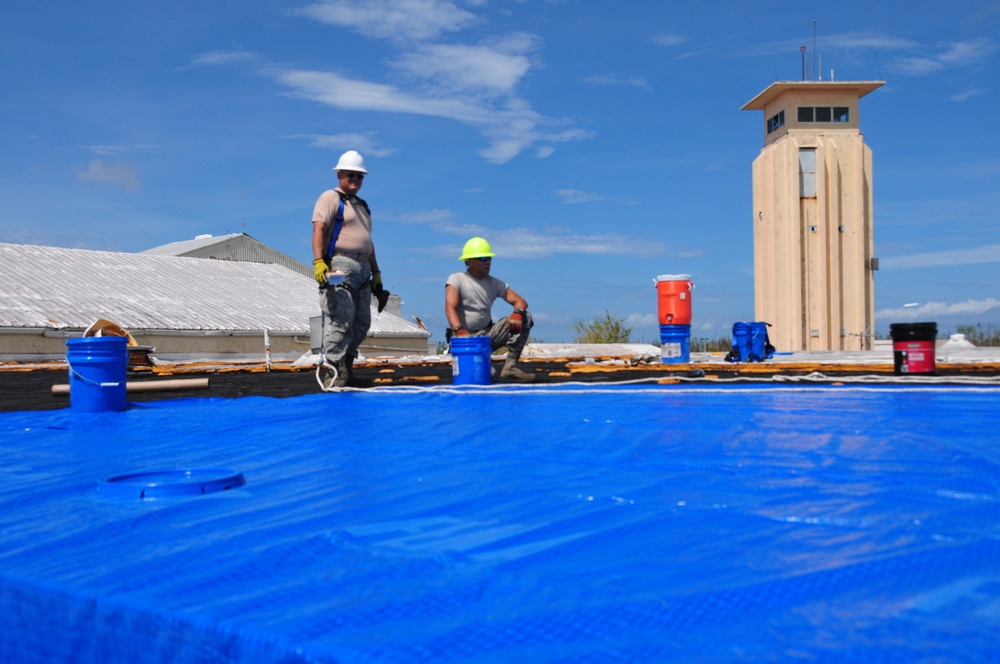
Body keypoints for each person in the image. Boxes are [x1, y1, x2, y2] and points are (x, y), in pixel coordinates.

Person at [311, 150, 383, 389]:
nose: (355, 180)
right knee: (341, 319)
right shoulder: (330, 198)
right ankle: (333, 374)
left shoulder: (362, 206)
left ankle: (346, 370)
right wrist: (319, 261)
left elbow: (369, 242)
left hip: (362, 267)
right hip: (339, 265)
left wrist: (376, 274)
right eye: (351, 175)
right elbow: (319, 229)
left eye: (359, 176)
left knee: (361, 321)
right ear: (340, 174)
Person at [445, 237, 536, 383]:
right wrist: (459, 330)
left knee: (526, 317)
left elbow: (520, 301)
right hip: (465, 338)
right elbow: (450, 307)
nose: (487, 262)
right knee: (481, 376)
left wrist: (517, 313)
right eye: (482, 258)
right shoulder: (457, 279)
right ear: (468, 261)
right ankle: (478, 362)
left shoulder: (494, 283)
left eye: (488, 258)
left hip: (487, 336)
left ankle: (510, 368)